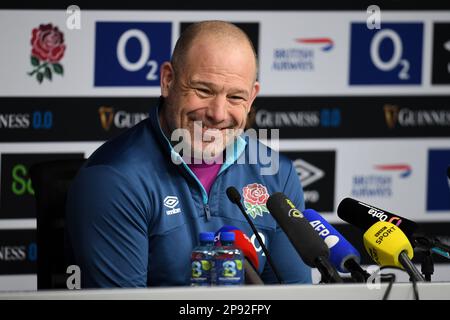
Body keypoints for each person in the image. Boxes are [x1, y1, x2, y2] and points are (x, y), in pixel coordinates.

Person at [66, 20, 312, 287]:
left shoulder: (279, 175)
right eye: (203, 90)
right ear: (168, 80)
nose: (217, 114)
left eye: (235, 97)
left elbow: (290, 295)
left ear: (252, 97)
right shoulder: (113, 179)